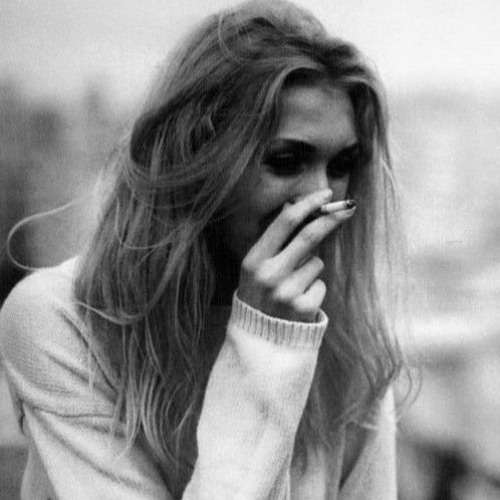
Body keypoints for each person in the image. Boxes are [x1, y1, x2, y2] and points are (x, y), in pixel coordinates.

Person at [0, 0, 407, 498]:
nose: (322, 196)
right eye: (286, 161)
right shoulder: (61, 322)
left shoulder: (347, 343)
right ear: (199, 161)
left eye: (341, 165)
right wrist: (268, 343)